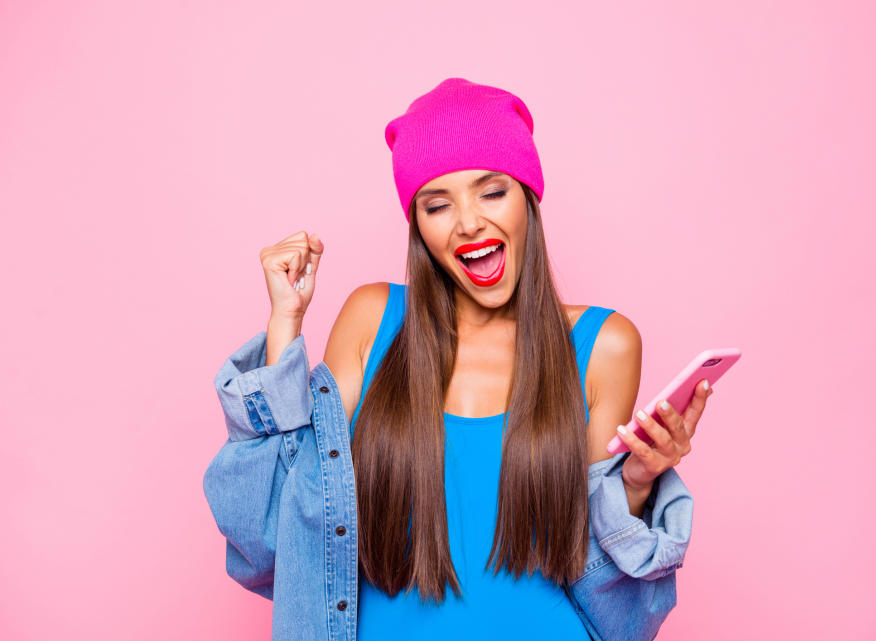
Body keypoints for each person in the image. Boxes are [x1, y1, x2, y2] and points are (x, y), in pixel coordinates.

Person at [204, 77, 708, 641]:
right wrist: (284, 327)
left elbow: (605, 591)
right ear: (418, 225)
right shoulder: (372, 322)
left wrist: (636, 483)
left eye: (492, 192)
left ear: (528, 200)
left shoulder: (604, 345)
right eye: (437, 204)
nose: (468, 222)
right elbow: (273, 539)